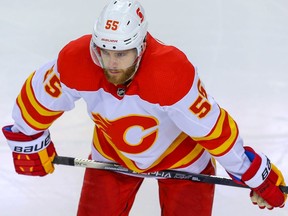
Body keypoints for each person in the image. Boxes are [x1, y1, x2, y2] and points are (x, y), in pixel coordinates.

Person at [2, 0, 287, 215]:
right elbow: (39, 97)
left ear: (141, 46)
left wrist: (253, 173)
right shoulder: (79, 59)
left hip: (183, 159)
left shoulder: (169, 73)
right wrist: (28, 138)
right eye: (105, 52)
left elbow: (214, 130)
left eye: (122, 54)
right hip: (112, 155)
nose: (111, 63)